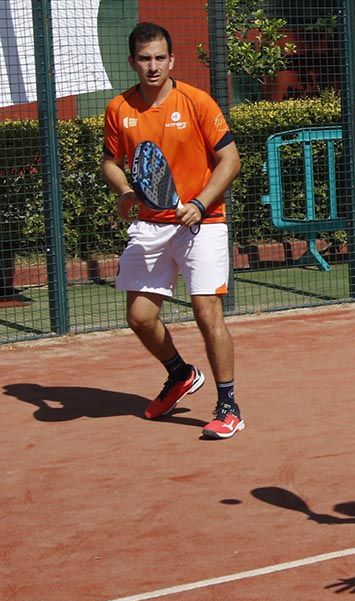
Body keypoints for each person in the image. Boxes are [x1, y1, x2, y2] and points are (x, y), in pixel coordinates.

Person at [102, 23, 244, 439]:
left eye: (160, 58)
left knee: (206, 312)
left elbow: (230, 160)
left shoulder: (197, 102)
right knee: (140, 318)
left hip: (204, 223)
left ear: (172, 60)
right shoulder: (119, 109)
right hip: (150, 225)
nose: (152, 66)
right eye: (144, 59)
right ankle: (180, 373)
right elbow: (111, 161)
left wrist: (200, 204)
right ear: (132, 62)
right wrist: (126, 190)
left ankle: (228, 403)